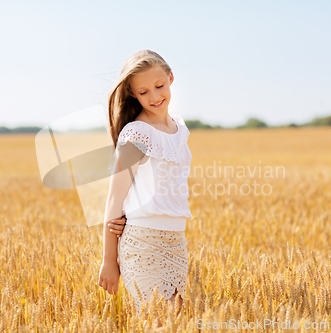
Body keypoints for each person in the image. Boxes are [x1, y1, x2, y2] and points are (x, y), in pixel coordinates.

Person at [97, 49, 193, 324]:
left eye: (159, 86)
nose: (154, 96)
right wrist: (109, 261)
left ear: (171, 78)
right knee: (158, 324)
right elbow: (115, 199)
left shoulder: (179, 130)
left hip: (177, 241)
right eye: (143, 92)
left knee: (178, 324)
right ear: (133, 95)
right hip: (142, 243)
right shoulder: (136, 133)